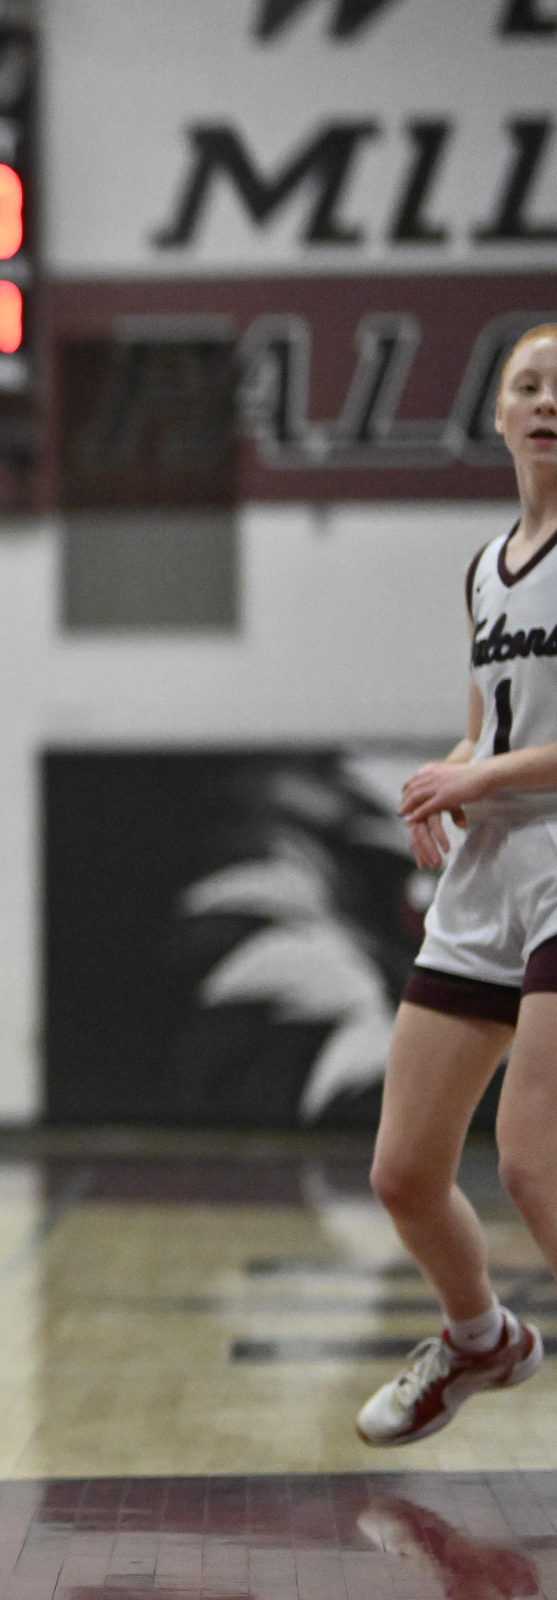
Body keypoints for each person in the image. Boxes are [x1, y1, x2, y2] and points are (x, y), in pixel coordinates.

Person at [357, 323, 557, 1447]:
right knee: (403, 1171)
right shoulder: (487, 566)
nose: (545, 402)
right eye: (526, 385)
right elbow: (491, 725)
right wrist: (457, 785)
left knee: (534, 1161)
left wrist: (480, 771)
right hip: (494, 875)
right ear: (496, 413)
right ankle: (481, 1338)